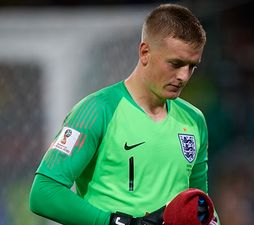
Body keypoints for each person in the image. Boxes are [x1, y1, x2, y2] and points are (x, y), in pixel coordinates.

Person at [29, 3, 219, 225]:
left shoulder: (194, 120)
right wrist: (115, 222)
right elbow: (43, 193)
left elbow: (199, 208)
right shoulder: (97, 110)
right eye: (175, 64)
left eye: (191, 66)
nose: (184, 76)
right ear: (145, 52)